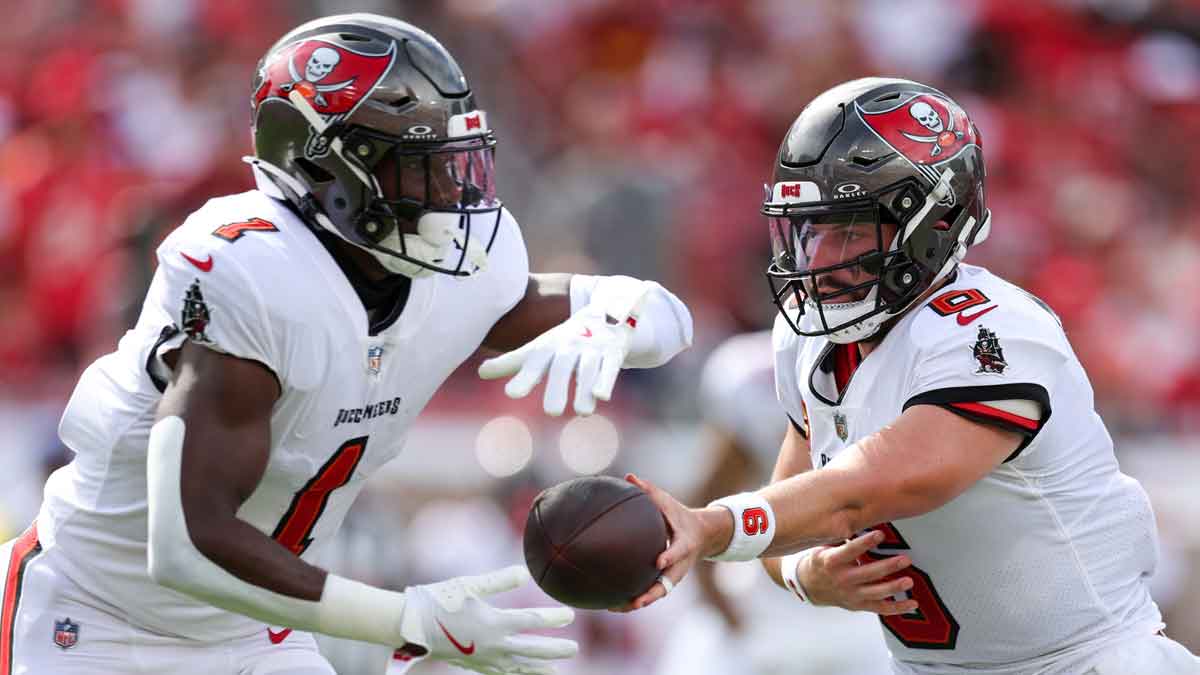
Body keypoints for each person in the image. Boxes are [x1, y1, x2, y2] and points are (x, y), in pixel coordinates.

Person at [0, 14, 692, 675]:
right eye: (421, 165)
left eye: (457, 159)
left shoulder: (457, 267)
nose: (453, 190)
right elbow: (184, 545)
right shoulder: (255, 275)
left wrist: (618, 320)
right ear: (328, 172)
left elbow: (664, 316)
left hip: (257, 630)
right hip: (96, 618)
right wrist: (407, 618)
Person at [621, 78, 1200, 674]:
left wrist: (711, 525)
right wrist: (803, 574)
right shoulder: (810, 342)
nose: (817, 260)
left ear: (933, 223)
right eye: (809, 230)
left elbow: (864, 489)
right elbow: (789, 512)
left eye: (847, 228)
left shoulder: (991, 332)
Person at [652, 330, 891, 675]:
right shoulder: (753, 372)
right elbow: (712, 493)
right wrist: (723, 609)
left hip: (870, 604)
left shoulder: (916, 364)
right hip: (770, 593)